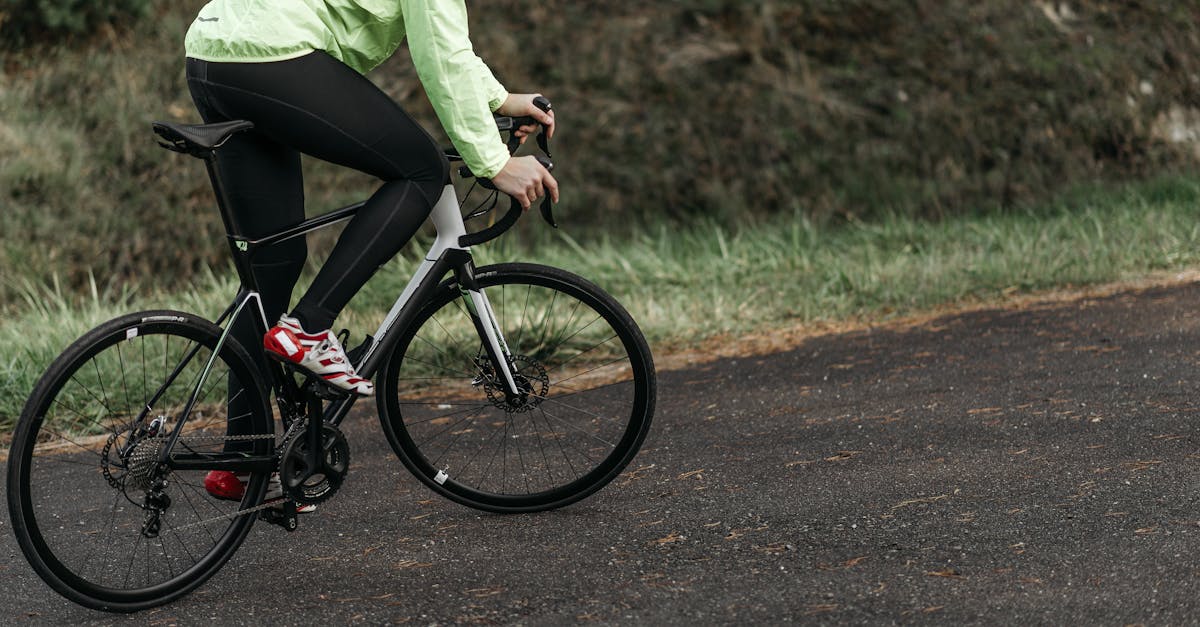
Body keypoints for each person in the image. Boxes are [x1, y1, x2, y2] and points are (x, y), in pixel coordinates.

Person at [183, 0, 558, 502]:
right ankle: (310, 328)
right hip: (273, 54)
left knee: (274, 263)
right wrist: (493, 163)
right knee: (422, 169)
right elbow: (441, 56)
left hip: (213, 52)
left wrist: (501, 99)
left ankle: (241, 459)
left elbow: (450, 51)